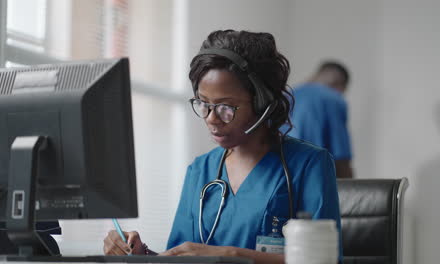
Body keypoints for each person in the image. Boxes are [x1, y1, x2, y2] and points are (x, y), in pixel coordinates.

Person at [103, 30, 342, 264]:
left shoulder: (310, 164)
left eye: (226, 107)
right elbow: (182, 257)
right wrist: (139, 253)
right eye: (203, 104)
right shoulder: (200, 170)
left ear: (262, 103)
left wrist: (231, 256)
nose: (211, 118)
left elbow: (323, 260)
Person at [285, 61, 353, 179]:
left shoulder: (287, 96)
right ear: (339, 85)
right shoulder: (333, 98)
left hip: (279, 180)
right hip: (313, 180)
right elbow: (341, 158)